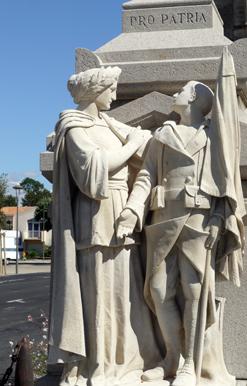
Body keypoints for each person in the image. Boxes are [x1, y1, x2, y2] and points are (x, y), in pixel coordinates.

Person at [117, 72, 245, 384]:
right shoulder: (163, 135)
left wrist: (218, 218)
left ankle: (191, 362)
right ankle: (170, 357)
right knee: (159, 291)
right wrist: (133, 208)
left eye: (185, 89)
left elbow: (225, 180)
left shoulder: (213, 136)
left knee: (194, 291)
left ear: (196, 102)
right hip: (162, 220)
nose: (180, 90)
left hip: (199, 220)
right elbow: (146, 176)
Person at [48, 66, 162, 386]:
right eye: (111, 88)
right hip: (96, 216)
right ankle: (100, 362)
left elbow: (145, 151)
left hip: (122, 211)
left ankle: (127, 358)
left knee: (125, 292)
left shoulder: (108, 125)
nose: (115, 94)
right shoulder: (74, 128)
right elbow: (92, 171)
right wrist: (131, 145)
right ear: (95, 91)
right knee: (99, 292)